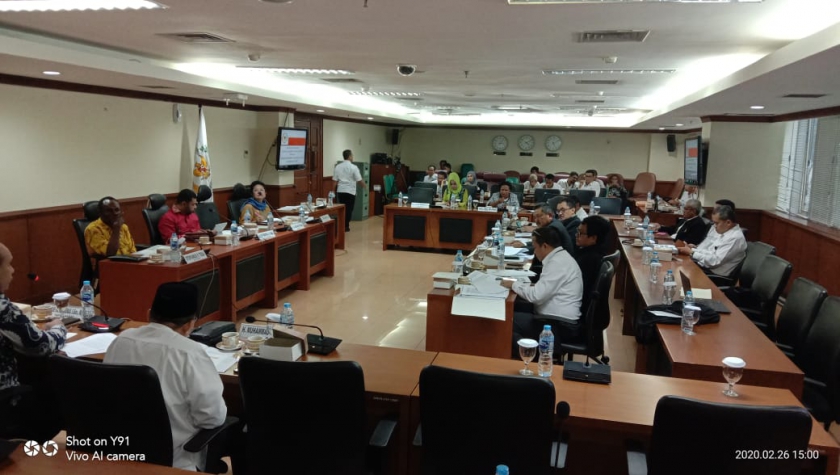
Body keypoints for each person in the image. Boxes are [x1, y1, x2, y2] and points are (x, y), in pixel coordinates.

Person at [104, 282, 228, 471]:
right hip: (174, 460)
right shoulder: (189, 352)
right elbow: (212, 417)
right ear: (189, 325)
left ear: (148, 314)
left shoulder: (121, 340)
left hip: (119, 452)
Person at [0, 243, 67, 441]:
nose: (13, 271)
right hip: (6, 399)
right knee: (55, 390)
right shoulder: (3, 310)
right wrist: (58, 328)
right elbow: (40, 346)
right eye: (9, 265)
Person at [502, 226, 583, 350]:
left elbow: (536, 296)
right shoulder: (560, 257)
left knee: (504, 321)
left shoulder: (557, 263)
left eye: (535, 247)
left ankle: (532, 355)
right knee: (513, 310)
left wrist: (513, 284)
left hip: (558, 324)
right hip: (555, 317)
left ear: (545, 246)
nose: (534, 252)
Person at [676, 205, 746, 277]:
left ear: (728, 222)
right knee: (677, 265)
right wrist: (692, 250)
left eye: (717, 223)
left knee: (679, 272)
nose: (714, 226)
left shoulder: (734, 238)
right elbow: (710, 252)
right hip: (705, 268)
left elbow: (714, 261)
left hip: (714, 275)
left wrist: (692, 252)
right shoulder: (726, 233)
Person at [574, 216, 610, 315]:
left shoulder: (588, 259)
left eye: (581, 233)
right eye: (577, 231)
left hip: (576, 308)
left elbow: (575, 289)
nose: (576, 235)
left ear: (593, 238)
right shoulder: (597, 252)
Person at [333, 150, 365, 232]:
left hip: (340, 191)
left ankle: (341, 225)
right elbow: (359, 180)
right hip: (350, 191)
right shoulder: (354, 167)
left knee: (342, 209)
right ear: (349, 156)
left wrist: (332, 191)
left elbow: (335, 181)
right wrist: (364, 186)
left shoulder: (338, 166)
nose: (353, 157)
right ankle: (346, 226)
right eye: (352, 155)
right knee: (349, 209)